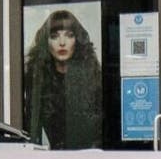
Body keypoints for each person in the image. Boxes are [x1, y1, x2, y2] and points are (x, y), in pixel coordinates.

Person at [20, 9, 108, 150]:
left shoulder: (92, 76)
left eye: (69, 35)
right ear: (46, 42)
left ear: (77, 40)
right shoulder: (39, 78)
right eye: (54, 36)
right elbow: (32, 126)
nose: (62, 43)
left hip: (91, 158)